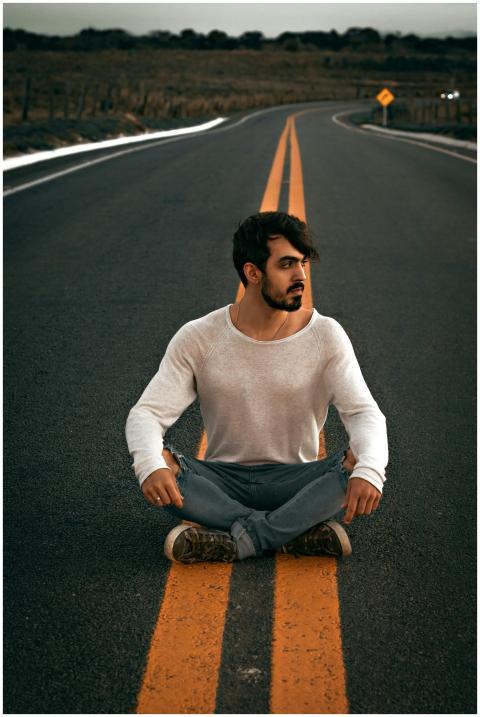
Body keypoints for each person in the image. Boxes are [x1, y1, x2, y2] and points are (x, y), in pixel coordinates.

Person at [126, 211, 388, 564]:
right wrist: (149, 466)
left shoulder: (326, 335)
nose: (301, 276)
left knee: (358, 459)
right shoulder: (200, 337)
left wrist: (370, 471)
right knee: (163, 461)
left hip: (298, 483)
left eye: (303, 263)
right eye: (287, 265)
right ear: (252, 272)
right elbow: (147, 413)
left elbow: (364, 413)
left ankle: (239, 538)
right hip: (220, 482)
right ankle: (293, 532)